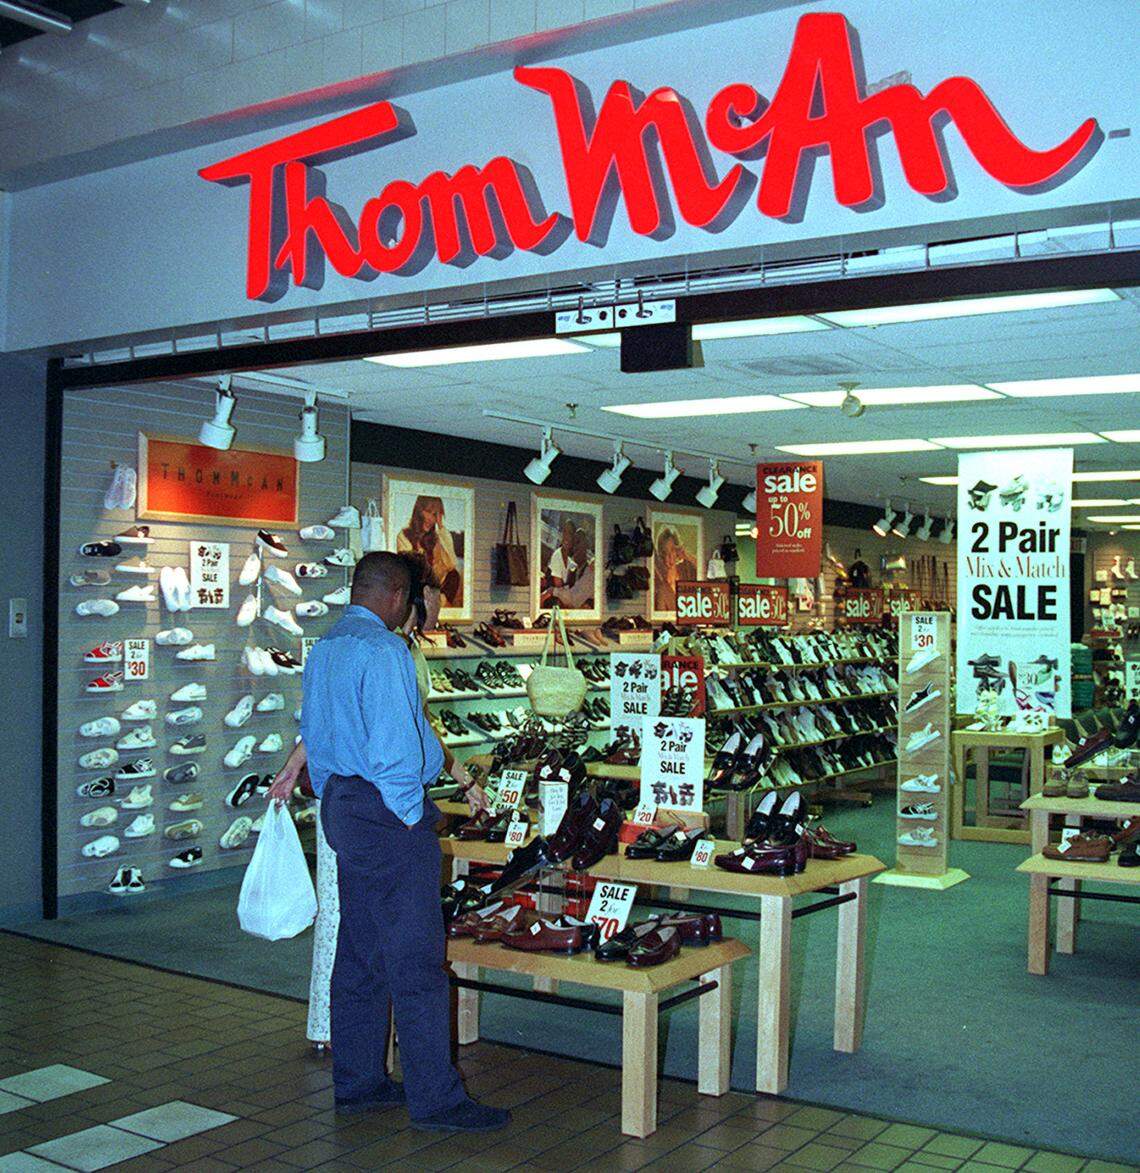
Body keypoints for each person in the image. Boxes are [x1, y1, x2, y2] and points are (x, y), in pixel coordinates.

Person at [277, 552, 506, 1131]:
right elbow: (396, 751)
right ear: (398, 596)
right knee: (417, 960)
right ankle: (437, 1100)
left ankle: (358, 1083)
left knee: (358, 951)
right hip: (388, 815)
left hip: (344, 810)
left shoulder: (325, 648)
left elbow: (315, 732)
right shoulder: (385, 651)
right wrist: (410, 815)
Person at [396, 495, 462, 607]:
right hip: (417, 589)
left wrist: (441, 528)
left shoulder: (436, 538)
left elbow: (452, 564)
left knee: (454, 575)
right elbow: (410, 571)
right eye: (428, 512)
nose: (432, 519)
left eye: (436, 515)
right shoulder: (404, 536)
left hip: (434, 590)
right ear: (419, 511)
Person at [654, 525, 698, 611]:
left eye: (672, 550)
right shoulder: (661, 589)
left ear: (678, 550)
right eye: (664, 552)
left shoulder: (687, 573)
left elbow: (704, 570)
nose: (668, 557)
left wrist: (686, 555)